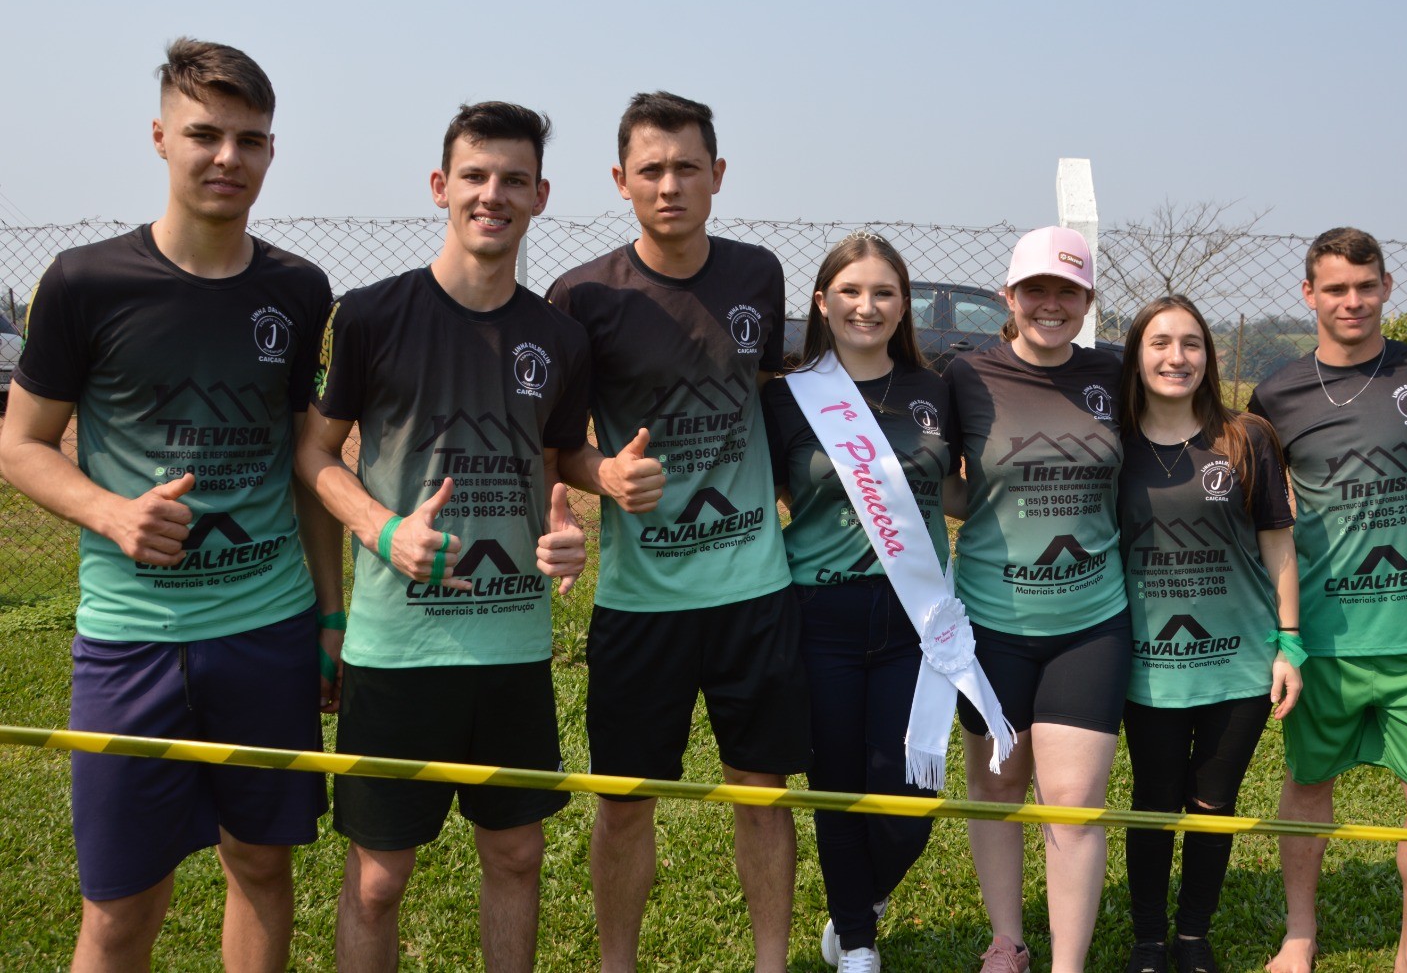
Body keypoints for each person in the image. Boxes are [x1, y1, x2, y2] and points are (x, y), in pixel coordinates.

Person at [0, 38, 341, 972]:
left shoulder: (299, 290)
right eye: (205, 134)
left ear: (271, 150)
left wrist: (331, 613)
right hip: (130, 643)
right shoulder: (84, 282)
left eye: (250, 139)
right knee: (119, 908)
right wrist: (111, 512)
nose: (228, 157)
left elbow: (307, 462)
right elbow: (19, 444)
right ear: (160, 137)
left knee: (260, 865)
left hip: (268, 631)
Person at [295, 101, 590, 972]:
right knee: (379, 879)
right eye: (475, 175)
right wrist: (382, 528)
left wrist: (563, 532)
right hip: (398, 648)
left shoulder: (558, 336)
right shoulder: (370, 315)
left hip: (513, 644)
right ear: (440, 186)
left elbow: (550, 466)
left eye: (513, 179)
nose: (492, 194)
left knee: (517, 854)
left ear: (540, 196)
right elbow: (313, 453)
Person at [549, 91, 806, 973]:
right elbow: (558, 444)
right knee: (625, 802)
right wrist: (602, 475)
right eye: (650, 170)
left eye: (687, 167)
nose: (670, 185)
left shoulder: (758, 275)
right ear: (620, 180)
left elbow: (768, 395)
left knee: (762, 794)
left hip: (755, 591)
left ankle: (771, 963)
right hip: (640, 601)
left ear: (717, 175)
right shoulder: (581, 296)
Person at [1248, 227, 1407, 973]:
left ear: (1387, 287)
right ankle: (1300, 934)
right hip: (1321, 641)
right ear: (1309, 295)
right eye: (1335, 288)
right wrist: (1280, 631)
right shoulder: (1276, 394)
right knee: (1307, 787)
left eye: (1366, 286)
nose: (1352, 301)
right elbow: (1261, 518)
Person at [762, 231, 960, 973]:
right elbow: (774, 494)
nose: (866, 306)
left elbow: (959, 489)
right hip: (823, 613)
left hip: (917, 616)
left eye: (883, 292)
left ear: (904, 305)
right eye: (850, 291)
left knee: (912, 794)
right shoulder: (787, 397)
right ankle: (857, 943)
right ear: (822, 302)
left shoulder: (937, 390)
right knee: (839, 783)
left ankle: (860, 899)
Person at [946, 226, 1128, 973]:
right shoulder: (966, 375)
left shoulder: (1115, 372)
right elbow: (940, 476)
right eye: (1035, 290)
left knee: (1073, 798)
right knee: (997, 784)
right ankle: (1008, 941)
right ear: (1008, 297)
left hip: (1091, 621)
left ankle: (1067, 965)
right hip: (989, 620)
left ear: (1087, 299)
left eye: (1067, 291)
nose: (1050, 304)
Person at [1115, 295, 1303, 973]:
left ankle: (1193, 938)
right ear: (1137, 356)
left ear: (1209, 355)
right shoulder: (1114, 444)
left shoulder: (1246, 438)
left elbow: (1279, 544)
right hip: (1149, 665)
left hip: (1238, 664)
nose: (1177, 357)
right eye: (1161, 343)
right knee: (1154, 801)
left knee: (1213, 803)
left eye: (1191, 343)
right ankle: (1148, 940)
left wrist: (1289, 643)